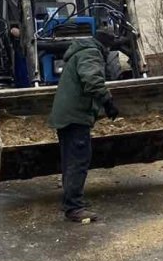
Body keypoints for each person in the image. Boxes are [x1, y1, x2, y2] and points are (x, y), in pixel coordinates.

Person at [48, 30, 119, 221]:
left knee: (70, 160)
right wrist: (108, 102)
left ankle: (71, 201)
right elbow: (92, 81)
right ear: (106, 46)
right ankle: (74, 208)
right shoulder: (90, 53)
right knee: (78, 160)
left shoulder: (82, 51)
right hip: (75, 116)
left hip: (68, 115)